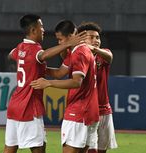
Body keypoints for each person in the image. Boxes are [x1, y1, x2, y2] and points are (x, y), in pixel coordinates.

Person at [4, 14, 86, 153]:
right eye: (41, 26)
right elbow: (43, 55)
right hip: (29, 106)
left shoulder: (20, 48)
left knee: (10, 147)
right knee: (39, 148)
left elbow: (10, 54)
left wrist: (32, 67)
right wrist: (67, 44)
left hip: (15, 105)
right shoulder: (35, 49)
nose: (43, 29)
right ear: (34, 30)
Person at [30, 20, 99, 153]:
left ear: (72, 36)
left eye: (60, 39)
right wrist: (39, 68)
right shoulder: (77, 51)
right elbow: (59, 73)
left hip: (78, 112)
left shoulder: (79, 53)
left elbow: (76, 82)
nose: (60, 43)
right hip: (90, 112)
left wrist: (48, 83)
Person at [77, 22, 118, 153]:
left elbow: (110, 57)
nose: (96, 40)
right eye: (91, 37)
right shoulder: (78, 56)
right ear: (82, 39)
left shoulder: (103, 53)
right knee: (88, 148)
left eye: (97, 37)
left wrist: (92, 48)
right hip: (87, 110)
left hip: (104, 110)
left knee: (102, 149)